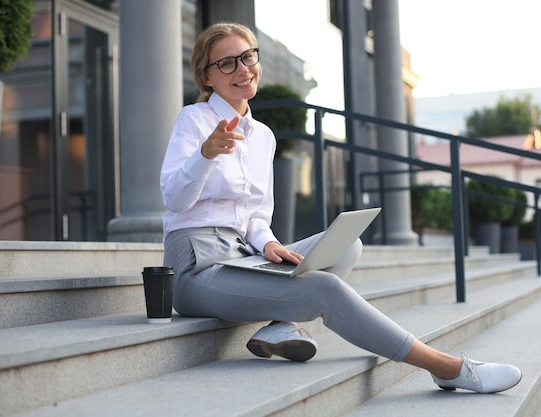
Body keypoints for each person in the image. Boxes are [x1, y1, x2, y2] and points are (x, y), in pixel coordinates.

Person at [160, 22, 522, 394]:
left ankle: (282, 323)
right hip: (197, 268)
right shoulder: (194, 120)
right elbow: (174, 199)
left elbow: (256, 215)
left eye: (248, 56)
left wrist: (267, 243)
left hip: (242, 254)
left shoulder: (264, 136)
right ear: (207, 76)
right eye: (227, 63)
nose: (242, 69)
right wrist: (205, 154)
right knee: (324, 289)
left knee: (347, 244)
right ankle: (445, 366)